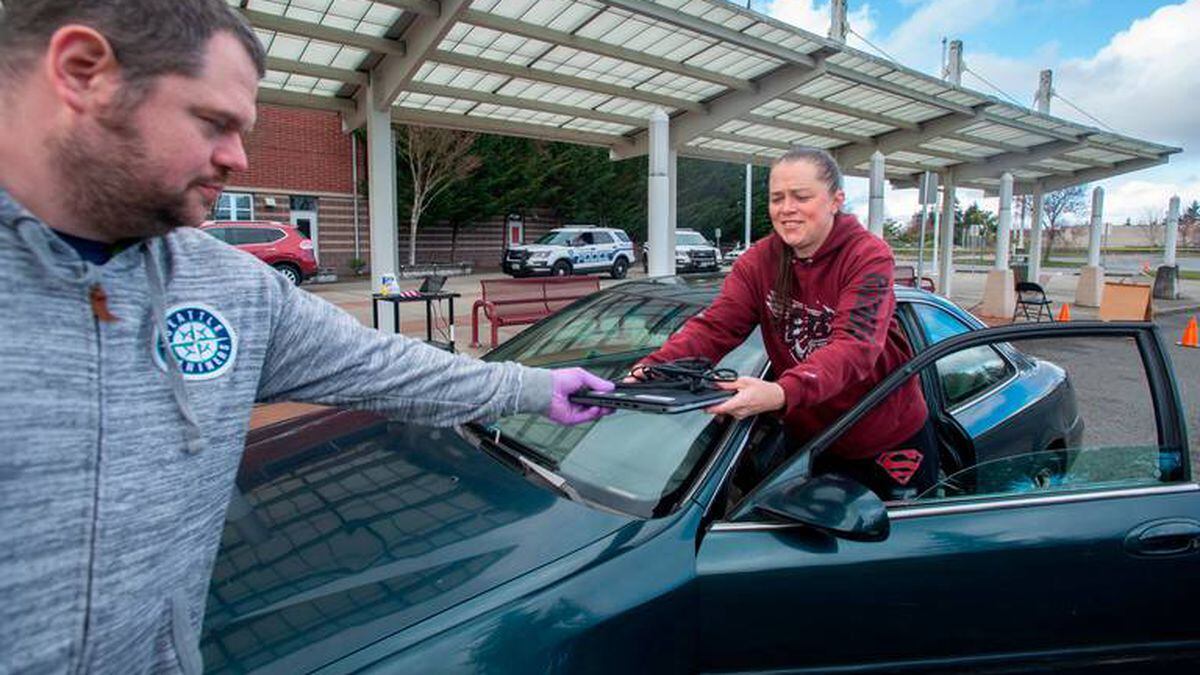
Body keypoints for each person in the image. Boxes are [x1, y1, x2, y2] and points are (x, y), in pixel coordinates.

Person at [0, 2, 611, 673]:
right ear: (84, 72)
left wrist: (535, 386)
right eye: (214, 122)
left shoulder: (233, 290)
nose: (237, 158)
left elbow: (388, 366)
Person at [636, 147, 934, 500]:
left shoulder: (867, 255)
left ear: (836, 200)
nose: (786, 208)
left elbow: (856, 346)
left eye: (801, 196)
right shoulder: (758, 261)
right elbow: (717, 326)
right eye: (777, 198)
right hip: (810, 436)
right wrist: (651, 370)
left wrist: (780, 393)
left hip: (884, 436)